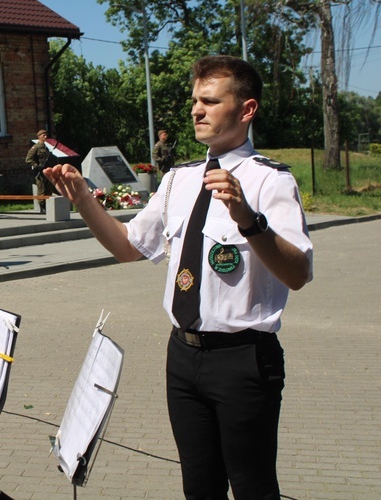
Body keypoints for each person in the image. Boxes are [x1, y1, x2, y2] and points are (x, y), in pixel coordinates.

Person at [44, 55, 313, 499]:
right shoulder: (178, 179)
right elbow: (128, 246)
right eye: (194, 100)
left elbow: (298, 272)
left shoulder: (270, 181)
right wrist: (84, 201)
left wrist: (249, 219)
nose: (196, 110)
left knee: (253, 488)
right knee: (199, 487)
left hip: (243, 360)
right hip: (184, 357)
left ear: (246, 110)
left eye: (210, 100)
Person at [25, 129, 55, 213]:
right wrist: (37, 166)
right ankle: (42, 207)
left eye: (46, 135)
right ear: (39, 137)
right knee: (41, 189)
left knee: (48, 189)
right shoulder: (35, 147)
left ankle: (48, 205)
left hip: (47, 172)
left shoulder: (46, 147)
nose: (45, 136)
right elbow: (28, 159)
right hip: (39, 173)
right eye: (43, 135)